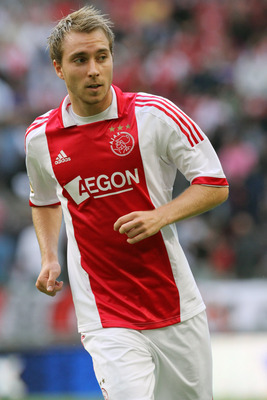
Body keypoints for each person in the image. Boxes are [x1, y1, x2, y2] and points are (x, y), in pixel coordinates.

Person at [25, 6, 229, 400]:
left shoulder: (155, 115)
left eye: (102, 56)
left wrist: (160, 216)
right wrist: (49, 256)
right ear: (57, 68)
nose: (94, 70)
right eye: (80, 60)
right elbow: (44, 199)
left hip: (176, 305)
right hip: (105, 314)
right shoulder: (41, 138)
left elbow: (215, 183)